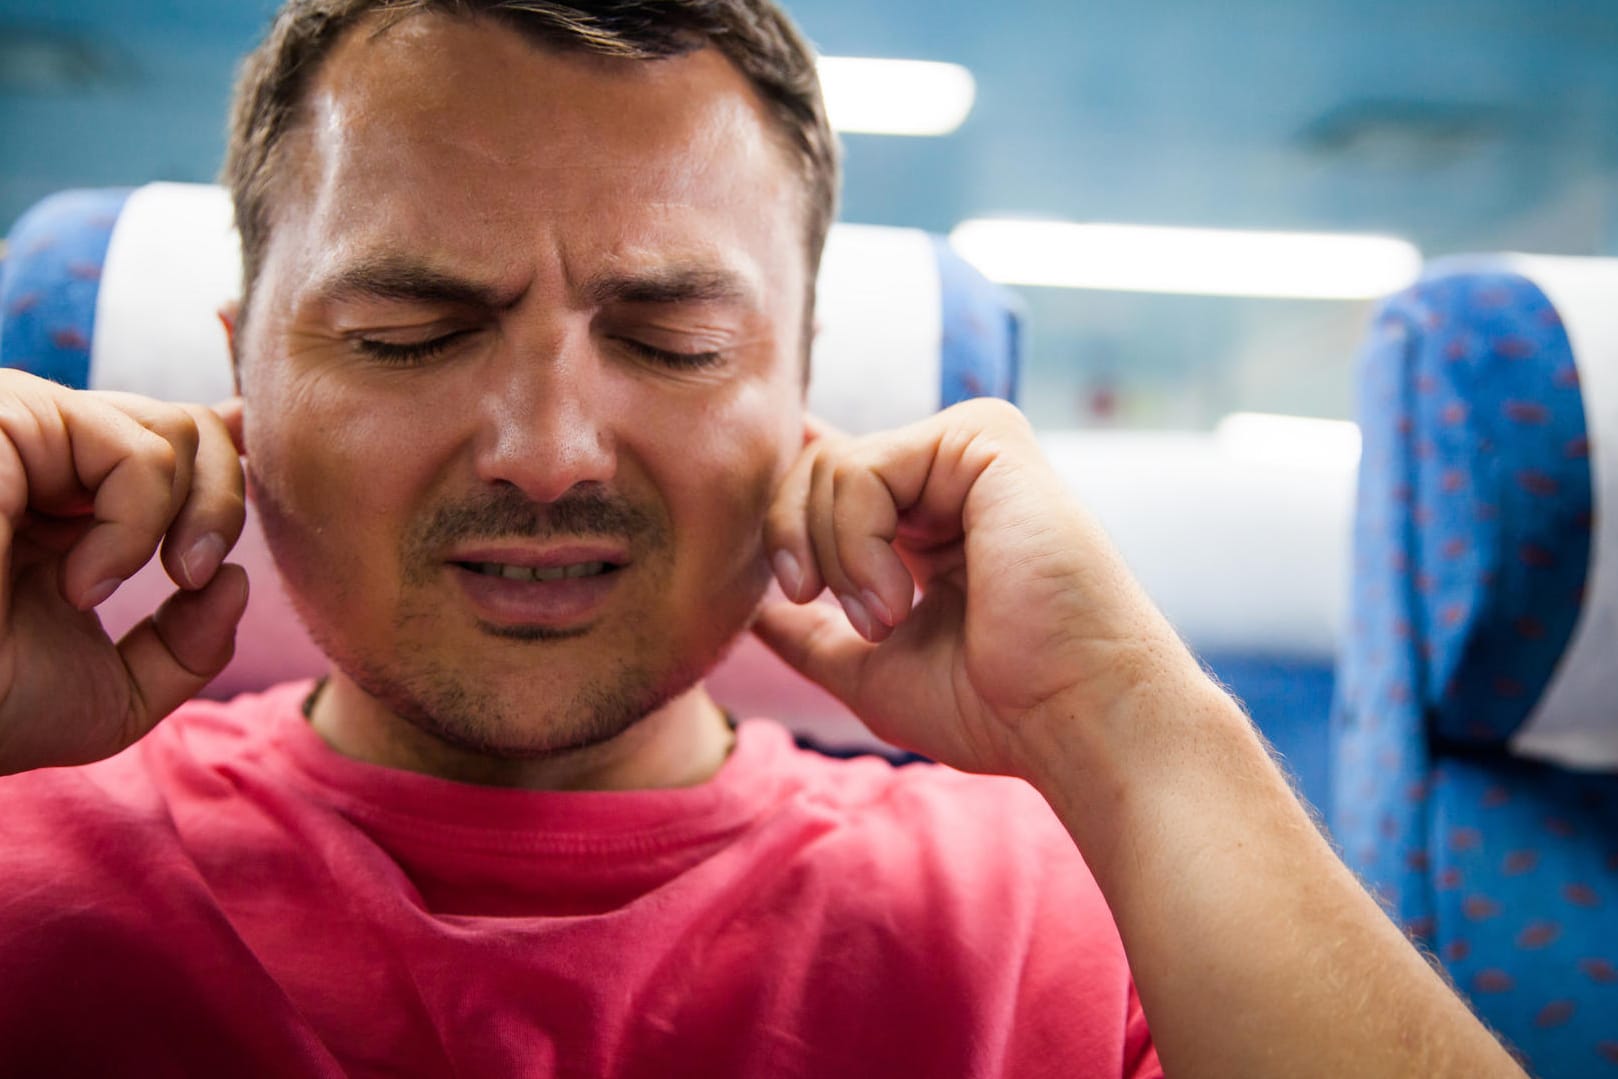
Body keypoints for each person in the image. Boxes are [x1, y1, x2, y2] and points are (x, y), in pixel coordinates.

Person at [0, 1, 1523, 1076]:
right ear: (239, 382)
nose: (545, 455)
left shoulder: (1059, 915)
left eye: (668, 341)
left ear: (804, 394)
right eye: (409, 334)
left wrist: (1133, 729)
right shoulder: (28, 849)